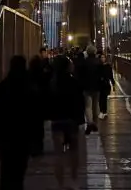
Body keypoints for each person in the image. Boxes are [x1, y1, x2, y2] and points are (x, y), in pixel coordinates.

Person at [0, 55, 37, 190]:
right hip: (23, 137)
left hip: (5, 137)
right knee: (19, 172)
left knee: (6, 170)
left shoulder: (1, 88)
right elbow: (34, 115)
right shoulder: (29, 88)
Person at [47, 54, 84, 189]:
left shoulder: (52, 83)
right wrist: (81, 120)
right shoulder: (74, 82)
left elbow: (47, 103)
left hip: (57, 121)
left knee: (58, 155)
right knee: (74, 152)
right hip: (72, 122)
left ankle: (60, 185)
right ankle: (74, 181)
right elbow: (80, 103)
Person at [75, 45, 101, 134]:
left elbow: (80, 75)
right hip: (97, 87)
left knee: (88, 106)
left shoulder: (84, 63)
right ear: (95, 52)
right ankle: (95, 124)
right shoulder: (99, 62)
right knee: (96, 105)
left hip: (87, 87)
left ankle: (90, 123)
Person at [27, 54, 49, 156]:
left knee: (30, 126)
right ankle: (39, 147)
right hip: (40, 105)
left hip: (29, 105)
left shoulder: (27, 75)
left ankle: (31, 146)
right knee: (39, 126)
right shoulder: (43, 75)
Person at [97, 51, 115, 119]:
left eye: (103, 57)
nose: (102, 58)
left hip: (106, 85)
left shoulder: (108, 67)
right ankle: (103, 112)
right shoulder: (99, 66)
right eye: (101, 57)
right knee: (101, 99)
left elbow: (111, 76)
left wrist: (113, 84)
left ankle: (104, 112)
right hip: (100, 85)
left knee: (103, 99)